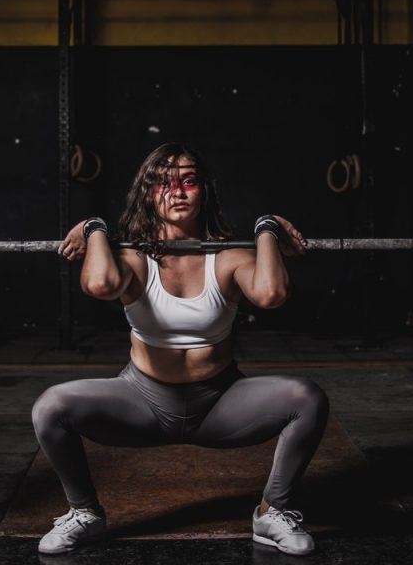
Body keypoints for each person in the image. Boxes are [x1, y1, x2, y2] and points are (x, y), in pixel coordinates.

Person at [31, 142, 330, 556]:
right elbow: (100, 284)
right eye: (162, 183)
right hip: (142, 403)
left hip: (221, 404)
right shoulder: (134, 259)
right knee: (50, 407)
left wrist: (266, 228)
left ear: (203, 190)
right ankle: (85, 513)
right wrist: (94, 228)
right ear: (147, 193)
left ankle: (272, 512)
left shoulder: (227, 257)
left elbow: (272, 293)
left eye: (188, 181)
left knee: (307, 398)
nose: (177, 191)